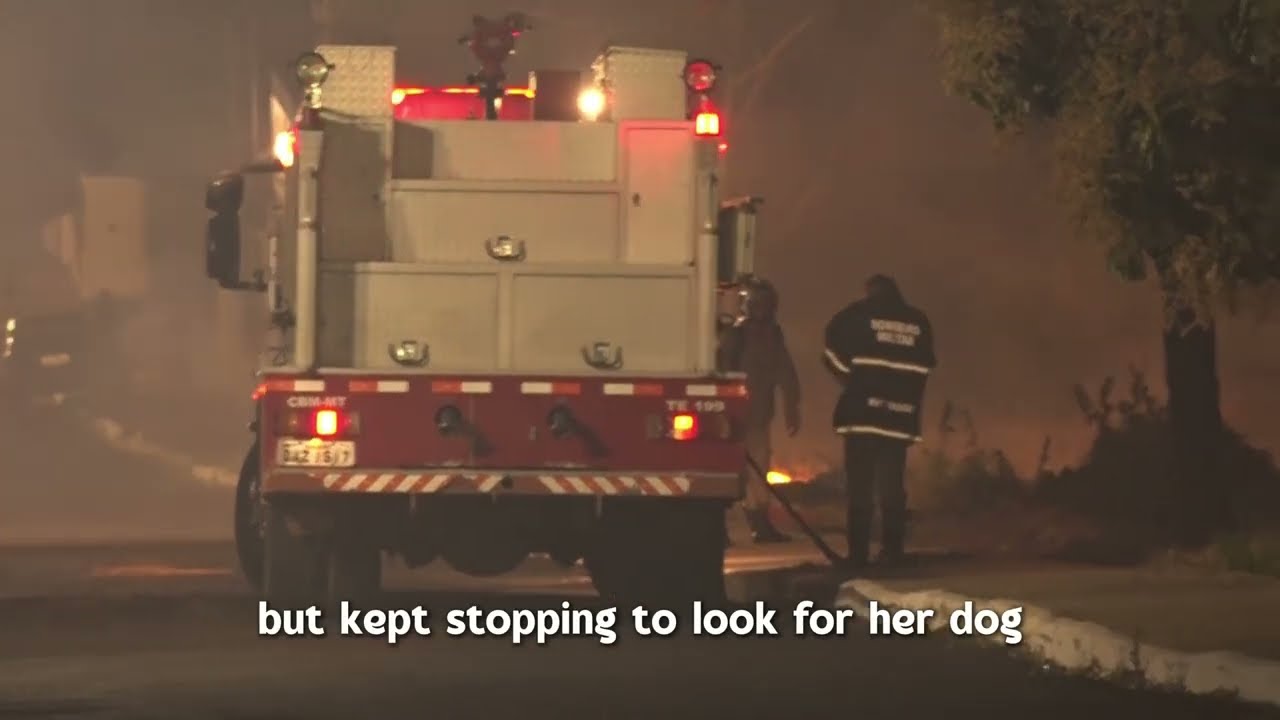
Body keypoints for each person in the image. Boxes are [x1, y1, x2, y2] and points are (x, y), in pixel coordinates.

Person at [823, 274, 936, 569]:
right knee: (892, 487)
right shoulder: (918, 322)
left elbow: (830, 346)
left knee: (860, 488)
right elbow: (925, 367)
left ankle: (858, 554)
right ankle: (893, 551)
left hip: (862, 416)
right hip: (899, 417)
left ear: (870, 292)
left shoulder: (857, 316)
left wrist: (849, 379)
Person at [717, 277, 801, 544]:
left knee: (758, 472)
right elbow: (721, 374)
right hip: (733, 418)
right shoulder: (735, 336)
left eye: (767, 304)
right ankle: (718, 529)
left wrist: (792, 408)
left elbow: (786, 373)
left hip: (759, 417)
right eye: (759, 303)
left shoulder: (773, 336)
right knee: (726, 470)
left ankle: (760, 525)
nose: (763, 309)